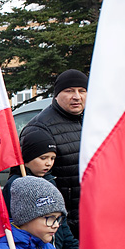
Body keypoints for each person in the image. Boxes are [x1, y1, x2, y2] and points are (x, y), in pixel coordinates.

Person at [19, 69, 86, 238]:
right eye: (69, 91)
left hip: (97, 218)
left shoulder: (95, 120)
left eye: (82, 91)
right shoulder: (40, 128)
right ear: (56, 94)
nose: (77, 96)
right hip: (61, 227)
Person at [3, 127, 80, 249]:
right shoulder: (15, 185)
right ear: (26, 159)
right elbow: (11, 224)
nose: (48, 163)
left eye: (52, 158)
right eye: (43, 158)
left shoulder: (50, 182)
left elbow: (61, 223)